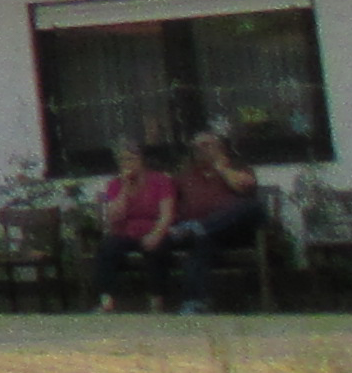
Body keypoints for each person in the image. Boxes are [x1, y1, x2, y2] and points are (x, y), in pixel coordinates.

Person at [158, 129, 268, 313]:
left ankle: (199, 227)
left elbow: (244, 188)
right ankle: (194, 303)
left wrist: (221, 168)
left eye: (206, 145)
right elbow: (166, 201)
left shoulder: (236, 167)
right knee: (201, 244)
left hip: (235, 232)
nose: (200, 150)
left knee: (253, 206)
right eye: (196, 147)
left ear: (220, 147)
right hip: (206, 236)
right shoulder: (185, 176)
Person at [89, 139, 179, 311]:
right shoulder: (115, 184)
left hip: (153, 229)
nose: (127, 163)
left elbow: (167, 214)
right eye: (122, 160)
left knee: (157, 249)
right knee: (107, 248)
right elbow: (114, 217)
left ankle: (156, 301)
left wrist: (156, 234)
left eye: (131, 159)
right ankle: (107, 301)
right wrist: (124, 187)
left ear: (141, 160)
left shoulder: (160, 181)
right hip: (126, 232)